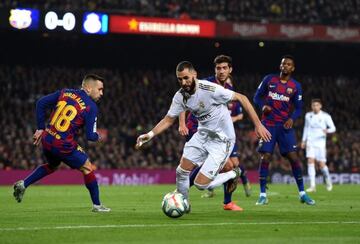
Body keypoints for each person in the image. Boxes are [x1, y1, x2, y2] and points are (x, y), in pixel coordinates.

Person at [136, 61, 271, 212]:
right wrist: (149, 134)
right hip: (203, 134)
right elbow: (168, 119)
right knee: (181, 171)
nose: (183, 82)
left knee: (202, 185)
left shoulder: (210, 89)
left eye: (186, 78)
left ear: (194, 75)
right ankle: (184, 204)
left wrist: (258, 125)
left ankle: (235, 173)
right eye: (180, 79)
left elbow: (242, 98)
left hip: (222, 140)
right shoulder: (180, 96)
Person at [13, 74, 110, 212]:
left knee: (52, 165)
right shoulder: (91, 107)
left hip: (47, 138)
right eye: (99, 89)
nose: (102, 93)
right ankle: (97, 205)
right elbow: (90, 136)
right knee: (87, 167)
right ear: (88, 88)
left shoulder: (66, 92)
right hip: (63, 143)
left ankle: (23, 184)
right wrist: (98, 137)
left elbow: (40, 103)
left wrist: (40, 128)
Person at [178, 55, 251, 212]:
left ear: (230, 70)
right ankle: (183, 196)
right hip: (198, 130)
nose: (221, 71)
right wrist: (182, 123)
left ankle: (227, 202)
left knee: (231, 165)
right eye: (218, 68)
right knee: (226, 167)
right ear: (215, 70)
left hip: (220, 134)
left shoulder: (229, 89)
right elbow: (183, 100)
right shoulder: (206, 83)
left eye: (224, 68)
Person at [253, 55, 315, 205]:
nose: (285, 66)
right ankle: (262, 195)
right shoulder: (269, 79)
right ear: (280, 66)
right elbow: (256, 97)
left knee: (293, 157)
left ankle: (302, 193)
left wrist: (292, 118)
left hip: (284, 126)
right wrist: (263, 106)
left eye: (288, 64)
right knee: (265, 157)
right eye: (283, 64)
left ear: (292, 68)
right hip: (268, 124)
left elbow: (299, 108)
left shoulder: (295, 86)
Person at [301, 98, 336, 192]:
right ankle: (313, 186)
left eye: (317, 105)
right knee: (310, 161)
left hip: (320, 143)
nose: (315, 107)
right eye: (313, 105)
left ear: (320, 106)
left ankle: (328, 180)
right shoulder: (308, 115)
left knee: (321, 164)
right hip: (310, 142)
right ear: (311, 106)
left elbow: (333, 128)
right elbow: (306, 128)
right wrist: (303, 141)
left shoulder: (326, 116)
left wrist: (327, 130)